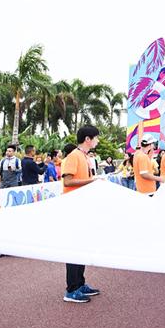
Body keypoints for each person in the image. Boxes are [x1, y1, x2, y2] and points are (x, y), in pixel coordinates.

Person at [61, 125, 102, 303]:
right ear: (87, 139)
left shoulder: (85, 156)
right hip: (73, 208)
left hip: (82, 207)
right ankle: (71, 290)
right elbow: (68, 181)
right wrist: (92, 181)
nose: (97, 141)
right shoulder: (74, 156)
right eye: (96, 138)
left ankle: (79, 284)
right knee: (74, 248)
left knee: (82, 246)